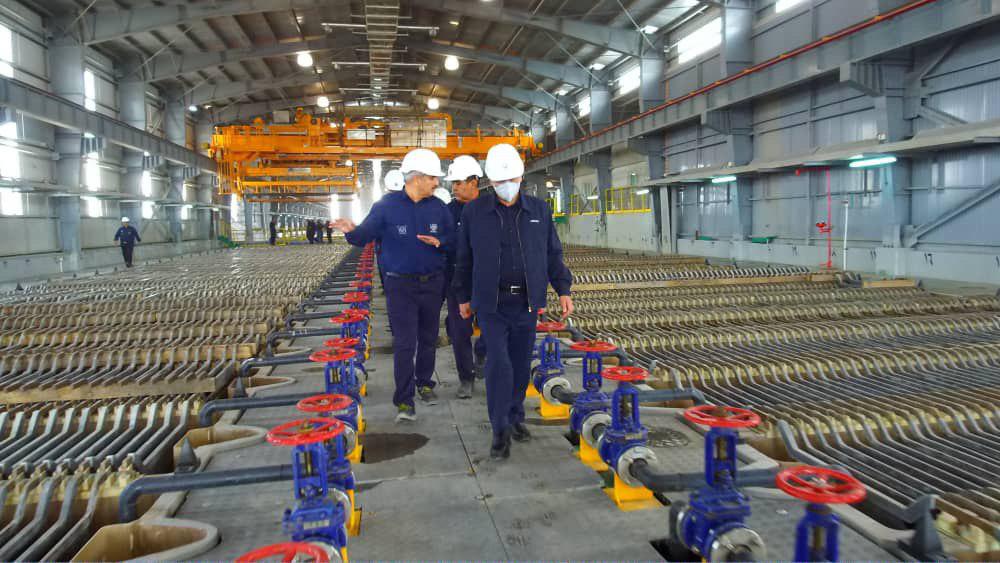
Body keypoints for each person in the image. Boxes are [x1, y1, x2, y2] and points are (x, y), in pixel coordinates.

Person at [454, 143, 574, 460]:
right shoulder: (474, 212)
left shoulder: (539, 211)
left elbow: (552, 253)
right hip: (491, 304)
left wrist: (563, 289)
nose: (506, 185)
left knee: (521, 366)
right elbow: (464, 258)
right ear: (490, 182)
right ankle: (499, 429)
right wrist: (462, 296)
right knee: (499, 365)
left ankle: (515, 416)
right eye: (499, 181)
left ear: (521, 177)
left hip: (527, 303)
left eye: (511, 179)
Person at [333, 149, 453, 423]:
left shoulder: (438, 207)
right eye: (432, 178)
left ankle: (425, 383)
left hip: (432, 283)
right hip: (400, 286)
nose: (436, 183)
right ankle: (404, 400)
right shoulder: (386, 207)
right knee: (405, 343)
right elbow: (364, 236)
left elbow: (454, 238)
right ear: (417, 178)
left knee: (428, 338)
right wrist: (351, 230)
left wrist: (441, 242)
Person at [442, 156, 487, 399]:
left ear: (474, 182)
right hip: (457, 281)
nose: (454, 187)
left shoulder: (491, 208)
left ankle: (481, 351)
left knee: (491, 326)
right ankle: (466, 378)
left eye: (458, 182)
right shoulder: (447, 213)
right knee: (459, 331)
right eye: (453, 183)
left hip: (487, 280)